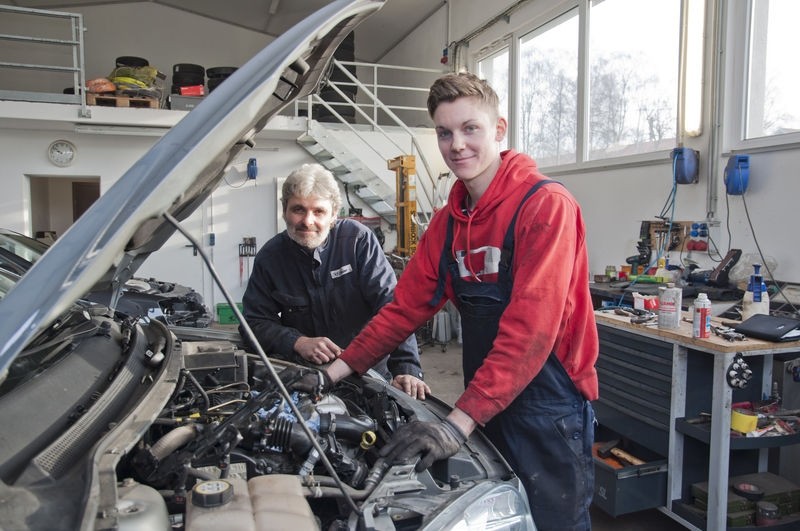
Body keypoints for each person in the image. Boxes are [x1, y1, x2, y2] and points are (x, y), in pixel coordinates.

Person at [288, 72, 599, 530]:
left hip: (548, 409)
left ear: (498, 129)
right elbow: (402, 310)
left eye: (470, 128)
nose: (457, 145)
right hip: (488, 400)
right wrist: (329, 375)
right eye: (444, 132)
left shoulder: (545, 205)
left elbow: (530, 334)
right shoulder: (448, 224)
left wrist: (456, 424)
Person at [240, 163, 429, 399]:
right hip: (310, 376)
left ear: (333, 215)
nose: (307, 221)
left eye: (318, 211)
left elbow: (391, 305)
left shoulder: (357, 240)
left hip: (370, 373)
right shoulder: (271, 258)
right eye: (298, 209)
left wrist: (406, 368)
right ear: (284, 210)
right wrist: (297, 342)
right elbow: (253, 323)